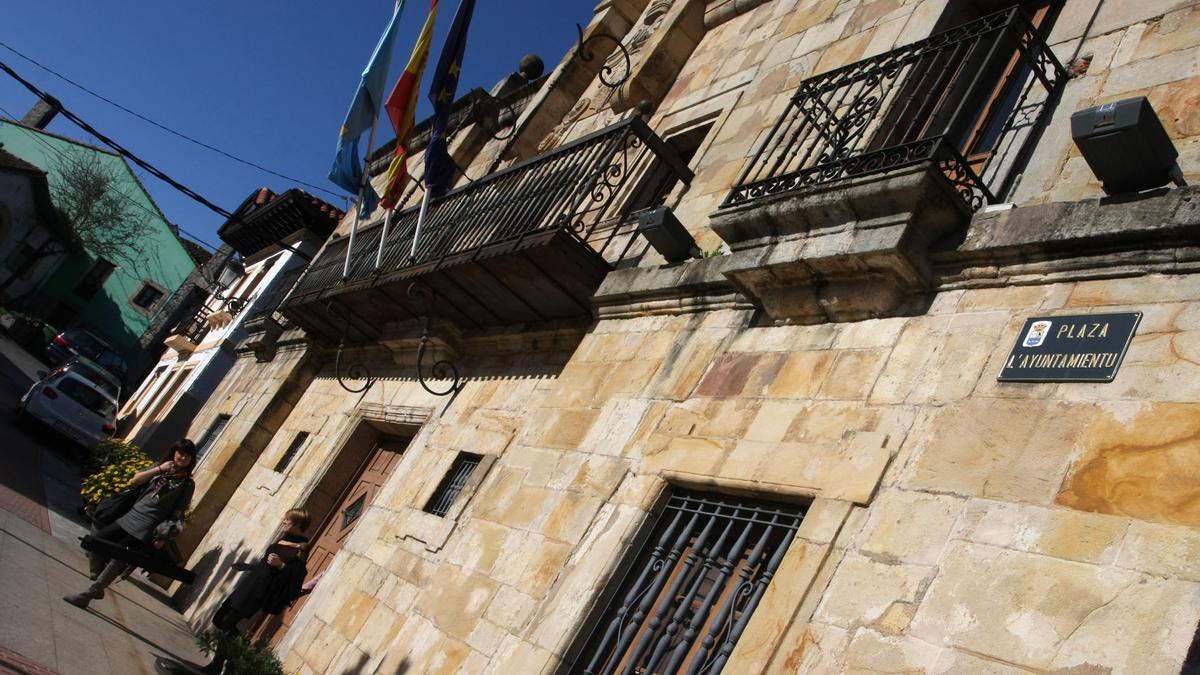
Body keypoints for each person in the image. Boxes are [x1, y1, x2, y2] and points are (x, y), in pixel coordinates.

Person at [63, 439, 197, 609]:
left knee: (118, 560)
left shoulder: (187, 484)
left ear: (192, 460)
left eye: (188, 456)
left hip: (146, 528)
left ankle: (88, 594)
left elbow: (177, 513)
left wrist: (163, 535)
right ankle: (96, 581)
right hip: (128, 517)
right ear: (174, 452)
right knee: (94, 544)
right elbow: (136, 479)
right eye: (181, 453)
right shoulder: (160, 468)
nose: (184, 458)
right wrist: (160, 468)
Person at [201, 509, 311, 675]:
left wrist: (281, 565)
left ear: (296, 525)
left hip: (260, 591)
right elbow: (266, 566)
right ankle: (241, 648)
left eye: (287, 521)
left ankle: (216, 666)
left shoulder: (301, 547)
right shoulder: (283, 540)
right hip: (250, 585)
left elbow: (297, 574)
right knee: (219, 619)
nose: (284, 522)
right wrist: (247, 566)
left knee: (227, 623)